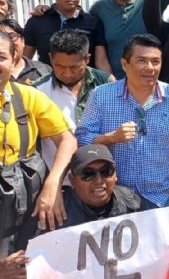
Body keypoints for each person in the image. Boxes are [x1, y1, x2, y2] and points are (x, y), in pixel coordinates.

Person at [75, 34, 169, 212]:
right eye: (141, 61)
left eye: (155, 62)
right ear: (125, 64)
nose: (150, 68)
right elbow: (82, 139)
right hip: (117, 198)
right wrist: (111, 138)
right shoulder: (101, 96)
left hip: (165, 197)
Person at [0, 31, 77, 256]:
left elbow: (67, 140)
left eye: (1, 57)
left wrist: (53, 185)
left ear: (14, 59)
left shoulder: (28, 96)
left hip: (23, 206)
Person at [34, 29, 114, 175]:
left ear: (87, 59)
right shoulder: (37, 91)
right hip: (60, 179)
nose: (67, 73)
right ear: (50, 58)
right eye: (60, 66)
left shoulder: (107, 84)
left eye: (74, 67)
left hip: (102, 179)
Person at [23, 0, 112, 74]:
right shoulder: (37, 21)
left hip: (84, 83)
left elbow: (101, 62)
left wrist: (111, 84)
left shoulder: (93, 23)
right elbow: (25, 59)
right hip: (48, 83)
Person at [0, 19, 51, 85]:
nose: (8, 42)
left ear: (23, 40)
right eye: (2, 37)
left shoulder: (43, 70)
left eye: (11, 36)